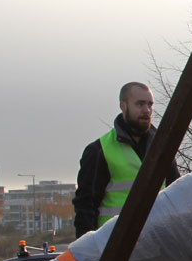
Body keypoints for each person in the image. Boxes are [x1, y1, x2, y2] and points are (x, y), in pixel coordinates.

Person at [72, 82, 181, 238]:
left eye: (150, 104)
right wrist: (88, 254)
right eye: (140, 104)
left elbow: (176, 194)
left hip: (158, 243)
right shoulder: (99, 151)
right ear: (123, 106)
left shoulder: (164, 147)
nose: (147, 110)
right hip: (114, 247)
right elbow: (85, 207)